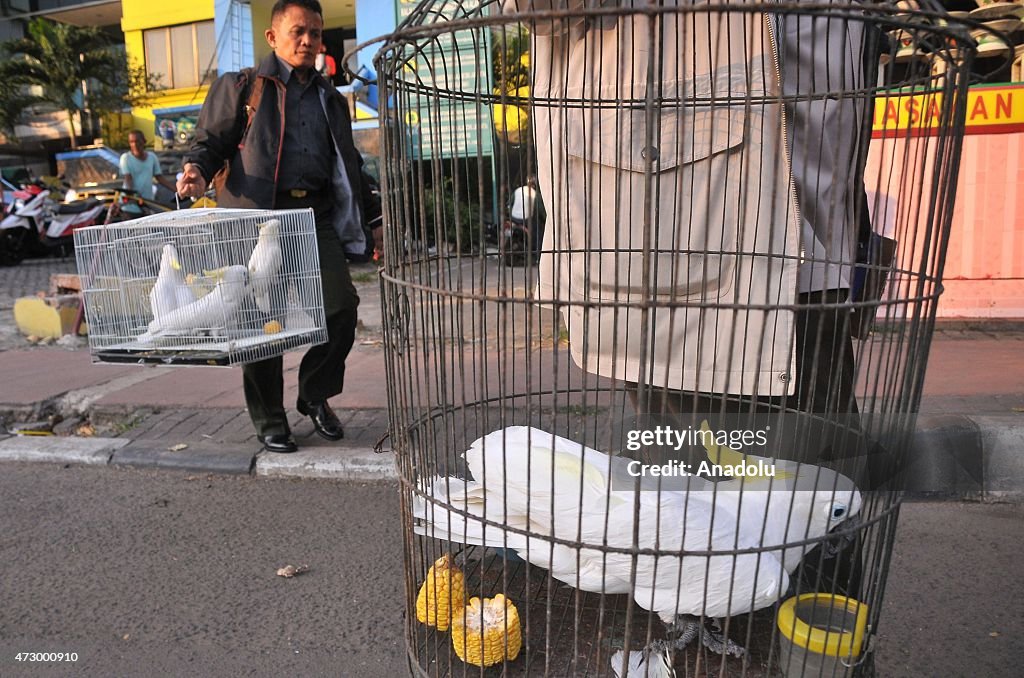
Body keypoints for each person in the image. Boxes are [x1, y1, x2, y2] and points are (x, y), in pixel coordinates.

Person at [176, 0, 381, 454]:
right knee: (260, 321)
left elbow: (348, 165)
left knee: (341, 309)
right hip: (255, 219)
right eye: (297, 32)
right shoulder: (242, 86)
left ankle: (313, 395)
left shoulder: (330, 96)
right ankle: (270, 419)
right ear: (273, 37)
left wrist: (373, 219)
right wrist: (195, 169)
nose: (307, 40)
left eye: (314, 32)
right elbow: (209, 141)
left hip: (314, 220)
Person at [120, 130, 176, 199]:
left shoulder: (152, 157)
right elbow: (128, 179)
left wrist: (176, 190)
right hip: (132, 202)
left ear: (144, 141)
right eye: (131, 142)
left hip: (148, 202)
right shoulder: (126, 158)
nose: (135, 145)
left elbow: (159, 178)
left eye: (137, 141)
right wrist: (131, 195)